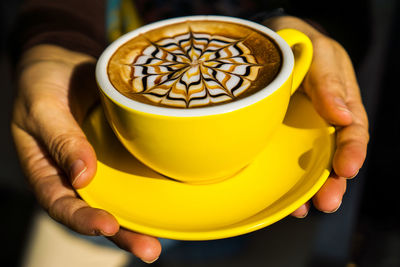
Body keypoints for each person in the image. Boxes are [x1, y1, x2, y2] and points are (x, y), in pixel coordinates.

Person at [10, 0, 369, 264]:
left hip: (271, 221)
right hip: (114, 206)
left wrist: (314, 26)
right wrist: (55, 39)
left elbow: (349, 14)